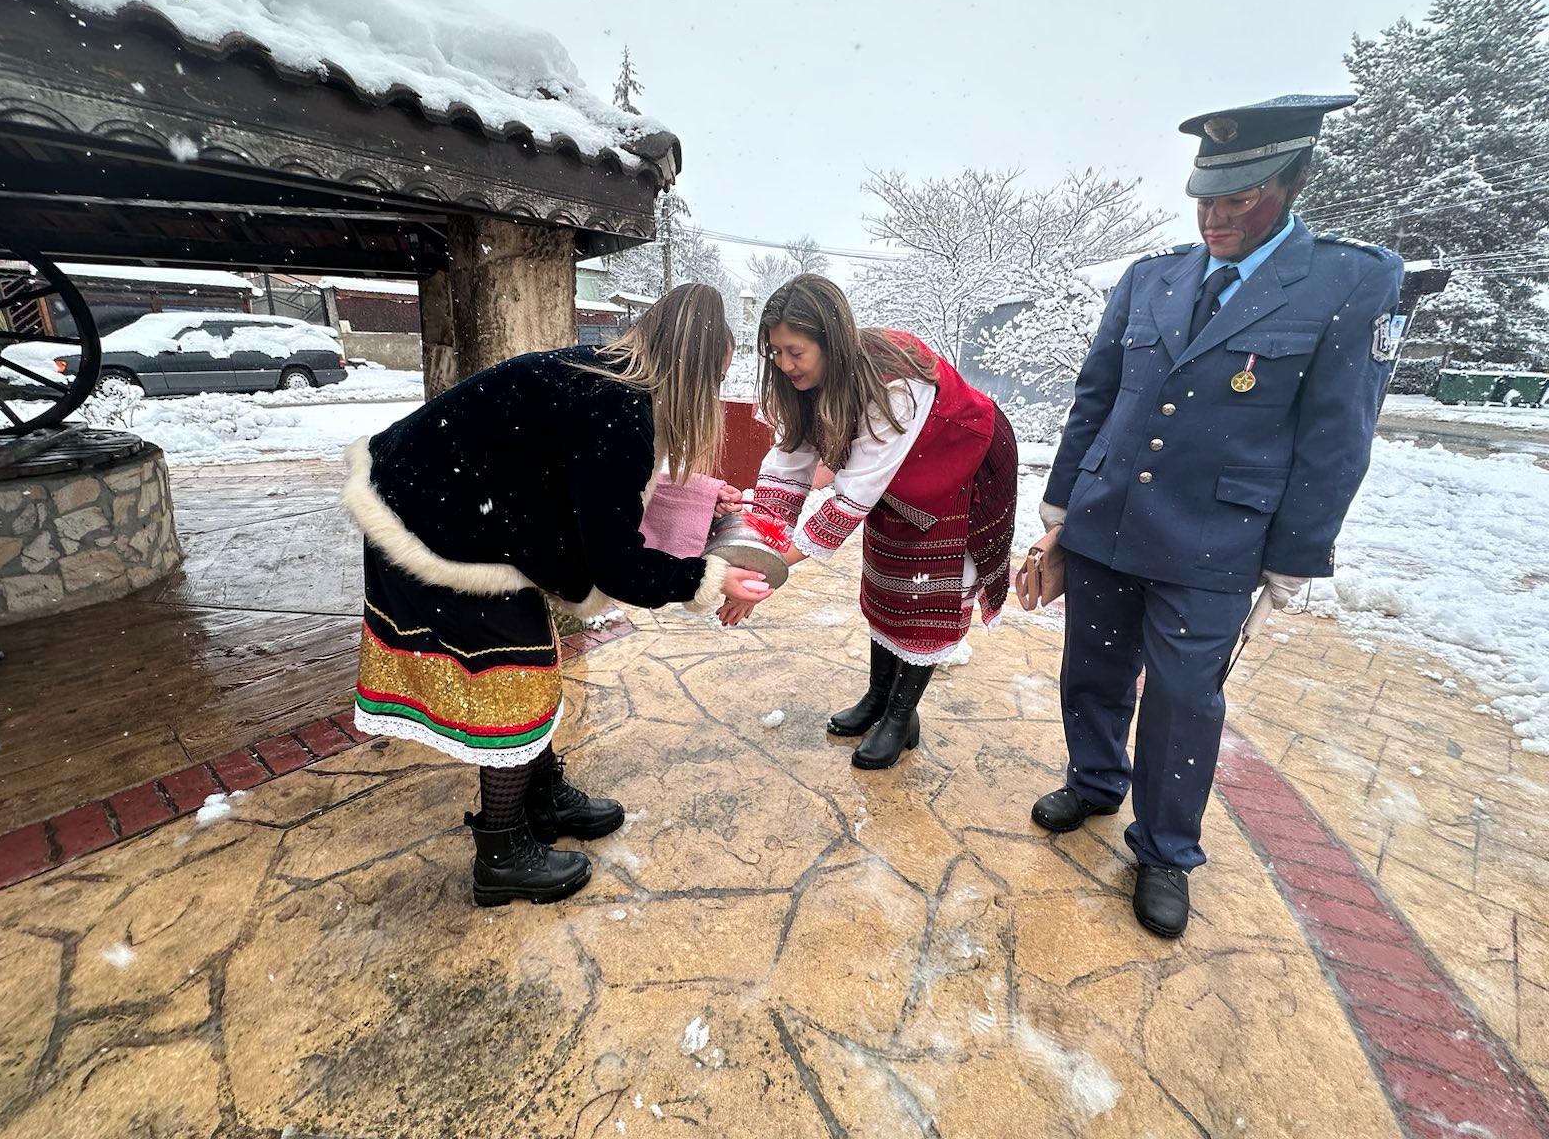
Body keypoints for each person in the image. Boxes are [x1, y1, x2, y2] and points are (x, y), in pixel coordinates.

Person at [1030, 95, 1402, 938]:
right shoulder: (1149, 278)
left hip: (1217, 539)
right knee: (1090, 669)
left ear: (1295, 182)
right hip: (1107, 519)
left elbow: (1339, 432)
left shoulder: (1349, 281)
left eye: (1242, 198)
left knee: (1184, 698)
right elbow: (1098, 398)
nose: (1217, 215)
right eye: (1207, 197)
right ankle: (1094, 781)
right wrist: (1062, 504)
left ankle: (1164, 849)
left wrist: (1297, 554)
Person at [341, 284, 772, 907]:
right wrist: (704, 581)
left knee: (533, 658)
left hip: (440, 491)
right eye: (715, 376)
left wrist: (700, 498)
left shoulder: (606, 378)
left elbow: (602, 488)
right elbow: (618, 561)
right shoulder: (619, 409)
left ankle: (538, 796)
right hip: (432, 516)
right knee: (514, 674)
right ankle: (502, 852)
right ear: (696, 366)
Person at [723, 275, 1017, 770]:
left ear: (830, 341)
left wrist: (768, 573)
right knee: (887, 579)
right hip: (896, 473)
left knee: (926, 591)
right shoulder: (809, 384)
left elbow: (851, 500)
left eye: (795, 351)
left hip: (959, 467)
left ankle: (902, 718)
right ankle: (879, 699)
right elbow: (787, 469)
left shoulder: (894, 381)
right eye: (775, 352)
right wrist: (757, 548)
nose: (784, 364)